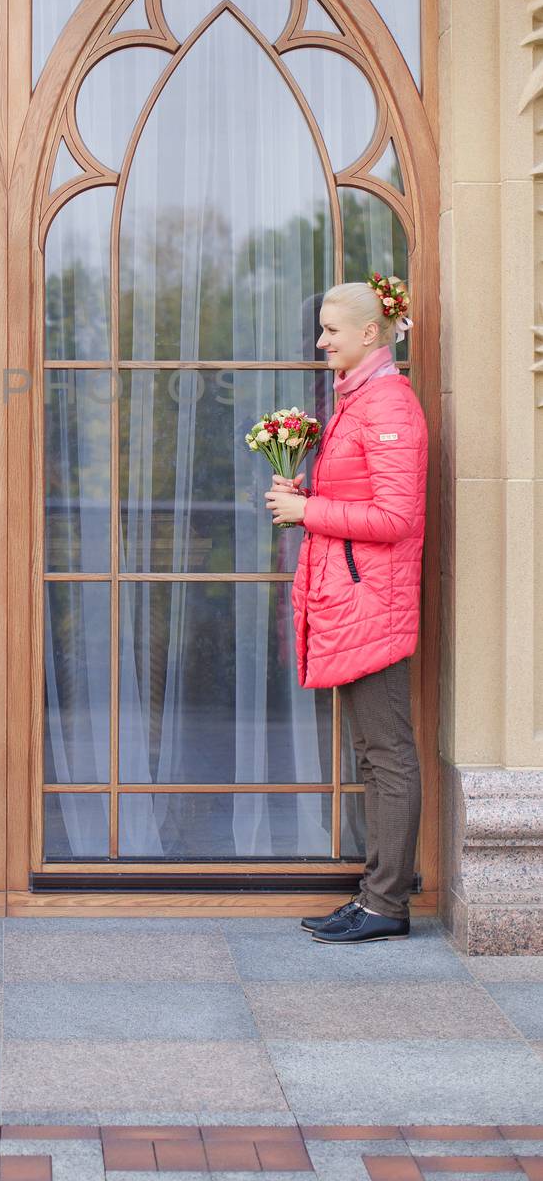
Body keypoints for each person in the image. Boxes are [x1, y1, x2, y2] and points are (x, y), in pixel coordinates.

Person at [265, 274, 427, 945]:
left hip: (371, 602)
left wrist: (307, 510)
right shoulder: (357, 401)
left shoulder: (387, 403)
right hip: (354, 597)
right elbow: (364, 494)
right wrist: (309, 490)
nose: (319, 339)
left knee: (385, 752)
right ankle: (377, 895)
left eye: (331, 329)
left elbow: (395, 515)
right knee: (372, 750)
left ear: (369, 333)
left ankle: (385, 902)